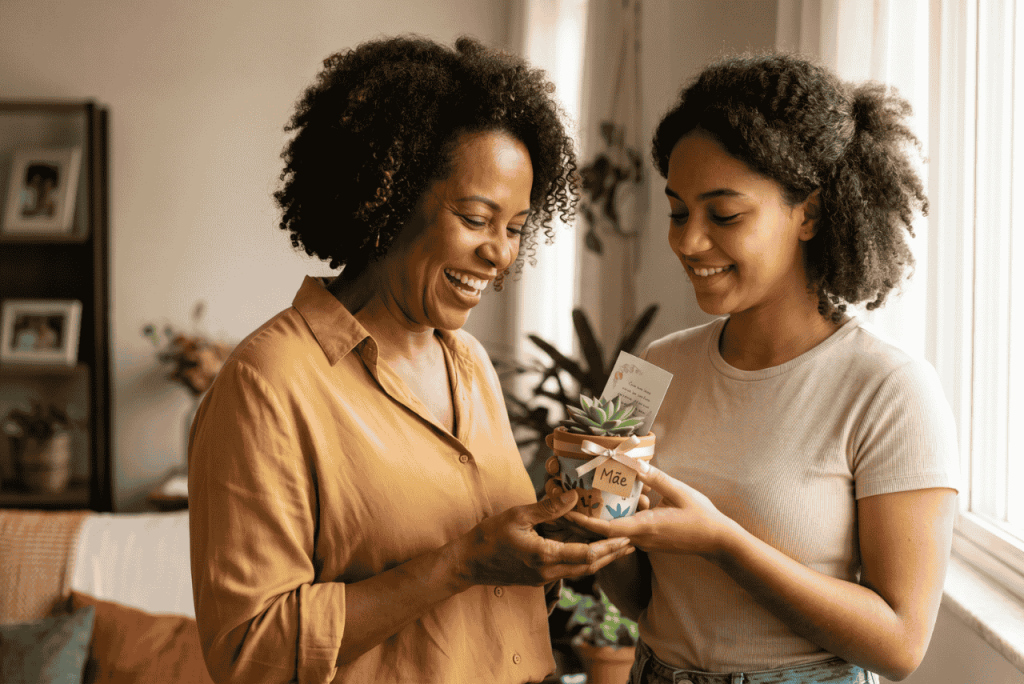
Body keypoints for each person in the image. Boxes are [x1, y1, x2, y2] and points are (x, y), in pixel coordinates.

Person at [188, 35, 635, 684]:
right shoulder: (267, 385)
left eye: (515, 228)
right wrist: (460, 563)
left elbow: (496, 604)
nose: (502, 254)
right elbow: (249, 653)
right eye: (477, 218)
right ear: (387, 197)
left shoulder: (470, 364)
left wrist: (551, 547)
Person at [564, 52, 960, 684]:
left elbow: (899, 645)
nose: (688, 242)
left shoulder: (889, 391)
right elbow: (645, 598)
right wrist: (596, 520)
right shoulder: (653, 369)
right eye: (676, 211)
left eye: (724, 215)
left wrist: (722, 541)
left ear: (809, 212)